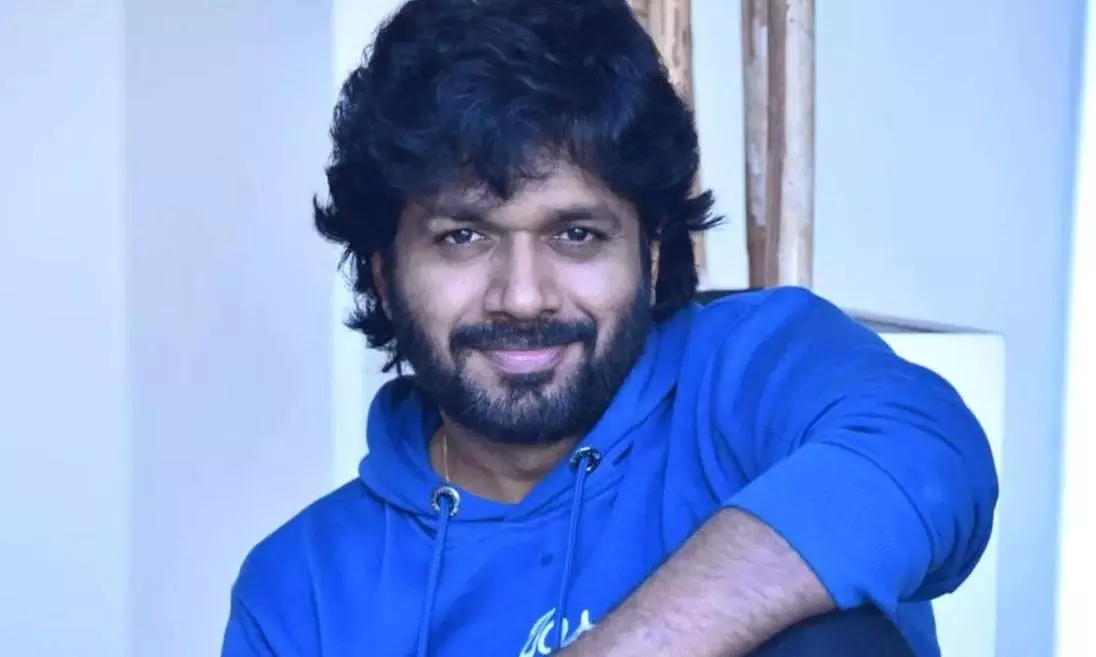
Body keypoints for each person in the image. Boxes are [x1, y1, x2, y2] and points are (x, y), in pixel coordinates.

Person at [221, 0, 998, 655]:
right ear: (385, 275)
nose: (523, 296)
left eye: (576, 234)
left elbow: (928, 456)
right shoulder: (301, 593)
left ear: (652, 253)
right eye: (463, 235)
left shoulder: (747, 376)